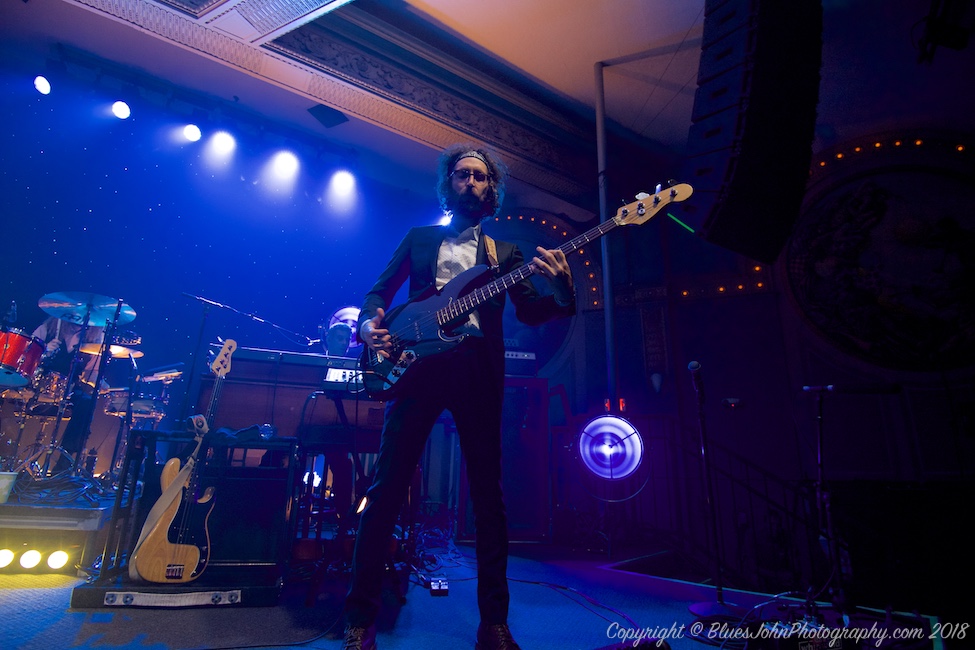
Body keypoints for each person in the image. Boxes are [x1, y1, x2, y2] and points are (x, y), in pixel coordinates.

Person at [343, 144, 575, 650]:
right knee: (384, 492)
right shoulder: (419, 239)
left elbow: (533, 313)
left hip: (476, 370)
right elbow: (379, 293)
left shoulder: (506, 254)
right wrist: (367, 326)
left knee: (489, 499)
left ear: (492, 190)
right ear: (448, 185)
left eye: (479, 176)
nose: (470, 182)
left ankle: (494, 625)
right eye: (462, 174)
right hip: (416, 366)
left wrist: (565, 290)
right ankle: (360, 621)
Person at [31, 316, 105, 472]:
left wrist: (102, 384)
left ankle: (64, 464)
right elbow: (25, 357)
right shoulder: (48, 329)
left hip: (68, 390)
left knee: (86, 402)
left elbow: (90, 374)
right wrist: (44, 351)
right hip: (37, 386)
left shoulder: (94, 339)